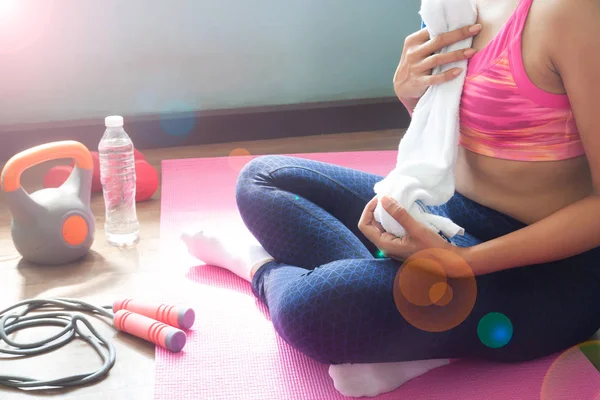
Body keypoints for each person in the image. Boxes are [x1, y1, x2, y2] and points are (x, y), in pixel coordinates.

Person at [183, 0, 600, 397]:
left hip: (546, 273)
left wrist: (464, 263)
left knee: (320, 312)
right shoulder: (457, 5)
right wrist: (412, 97)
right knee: (264, 179)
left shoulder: (572, 14)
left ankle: (254, 266)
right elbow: (446, 146)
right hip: (447, 217)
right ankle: (410, 330)